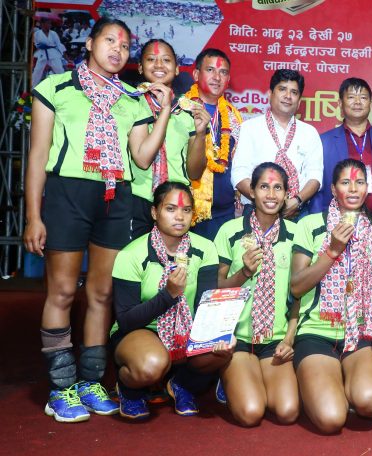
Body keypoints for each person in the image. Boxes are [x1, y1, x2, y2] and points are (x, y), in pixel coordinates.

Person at [24, 17, 173, 423]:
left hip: (115, 197)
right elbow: (37, 156)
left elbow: (142, 158)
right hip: (67, 194)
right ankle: (61, 388)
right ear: (90, 43)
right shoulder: (55, 88)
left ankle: (90, 381)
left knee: (102, 294)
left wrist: (163, 112)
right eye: (109, 41)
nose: (117, 51)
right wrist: (34, 215)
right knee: (62, 292)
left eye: (124, 46)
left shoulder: (132, 99)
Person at [290, 159, 372, 434]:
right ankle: (321, 383)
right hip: (316, 332)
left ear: (367, 188)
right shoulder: (310, 224)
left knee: (369, 401)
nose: (353, 189)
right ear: (333, 189)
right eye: (345, 182)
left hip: (359, 331)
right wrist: (332, 250)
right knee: (332, 418)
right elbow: (296, 287)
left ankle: (342, 382)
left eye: (360, 182)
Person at [111, 182, 219, 419]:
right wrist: (168, 295)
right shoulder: (131, 254)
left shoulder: (205, 249)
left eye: (186, 210)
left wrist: (217, 336)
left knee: (221, 348)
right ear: (154, 212)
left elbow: (206, 307)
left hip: (186, 330)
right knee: (151, 364)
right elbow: (126, 320)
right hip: (140, 331)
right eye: (170, 209)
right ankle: (129, 390)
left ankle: (182, 384)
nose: (180, 217)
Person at [210, 163, 300, 426]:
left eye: (278, 188)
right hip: (237, 339)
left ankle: (253, 379)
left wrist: (289, 339)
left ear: (286, 194)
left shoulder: (296, 235)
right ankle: (231, 377)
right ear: (251, 191)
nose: (271, 195)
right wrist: (244, 273)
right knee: (251, 413)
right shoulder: (230, 231)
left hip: (275, 340)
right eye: (263, 187)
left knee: (287, 411)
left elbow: (301, 293)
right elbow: (216, 289)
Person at [131, 39, 210, 238]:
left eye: (166, 60)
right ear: (140, 67)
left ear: (176, 69)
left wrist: (201, 133)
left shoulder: (189, 112)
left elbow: (195, 172)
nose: (159, 65)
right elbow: (142, 161)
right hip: (137, 199)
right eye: (151, 59)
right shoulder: (129, 104)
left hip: (176, 202)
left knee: (175, 258)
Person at [310, 77, 372, 236]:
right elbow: (318, 188)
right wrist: (317, 226)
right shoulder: (324, 142)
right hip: (336, 225)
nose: (357, 102)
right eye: (351, 97)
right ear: (340, 104)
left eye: (363, 97)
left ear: (371, 104)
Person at [232, 69, 323, 220]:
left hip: (296, 211)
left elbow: (315, 176)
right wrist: (265, 201)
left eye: (294, 92)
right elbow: (239, 174)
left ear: (299, 101)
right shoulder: (249, 128)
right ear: (270, 94)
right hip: (256, 210)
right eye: (282, 89)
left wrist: (296, 201)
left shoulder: (309, 132)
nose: (288, 96)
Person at [184, 48, 243, 240]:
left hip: (224, 213)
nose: (217, 77)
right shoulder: (180, 110)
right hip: (185, 209)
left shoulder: (234, 117)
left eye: (223, 72)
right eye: (210, 70)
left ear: (228, 79)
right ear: (196, 74)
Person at [32, 19, 66, 87]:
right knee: (37, 71)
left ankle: (64, 86)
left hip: (53, 53)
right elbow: (36, 44)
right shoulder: (37, 34)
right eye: (48, 23)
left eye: (50, 24)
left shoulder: (53, 33)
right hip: (42, 53)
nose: (49, 25)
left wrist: (61, 54)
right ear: (42, 24)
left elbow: (58, 44)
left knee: (60, 70)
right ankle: (33, 87)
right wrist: (40, 45)